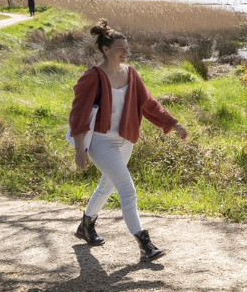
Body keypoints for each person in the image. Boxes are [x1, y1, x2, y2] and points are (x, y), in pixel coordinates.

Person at [68, 20, 188, 261]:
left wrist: (173, 123)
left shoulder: (131, 73)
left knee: (107, 185)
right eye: (121, 48)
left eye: (127, 47)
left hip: (126, 140)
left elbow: (148, 104)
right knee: (127, 189)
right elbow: (78, 114)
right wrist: (80, 150)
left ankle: (85, 226)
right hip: (101, 142)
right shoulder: (93, 76)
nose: (126, 51)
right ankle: (145, 243)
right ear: (106, 49)